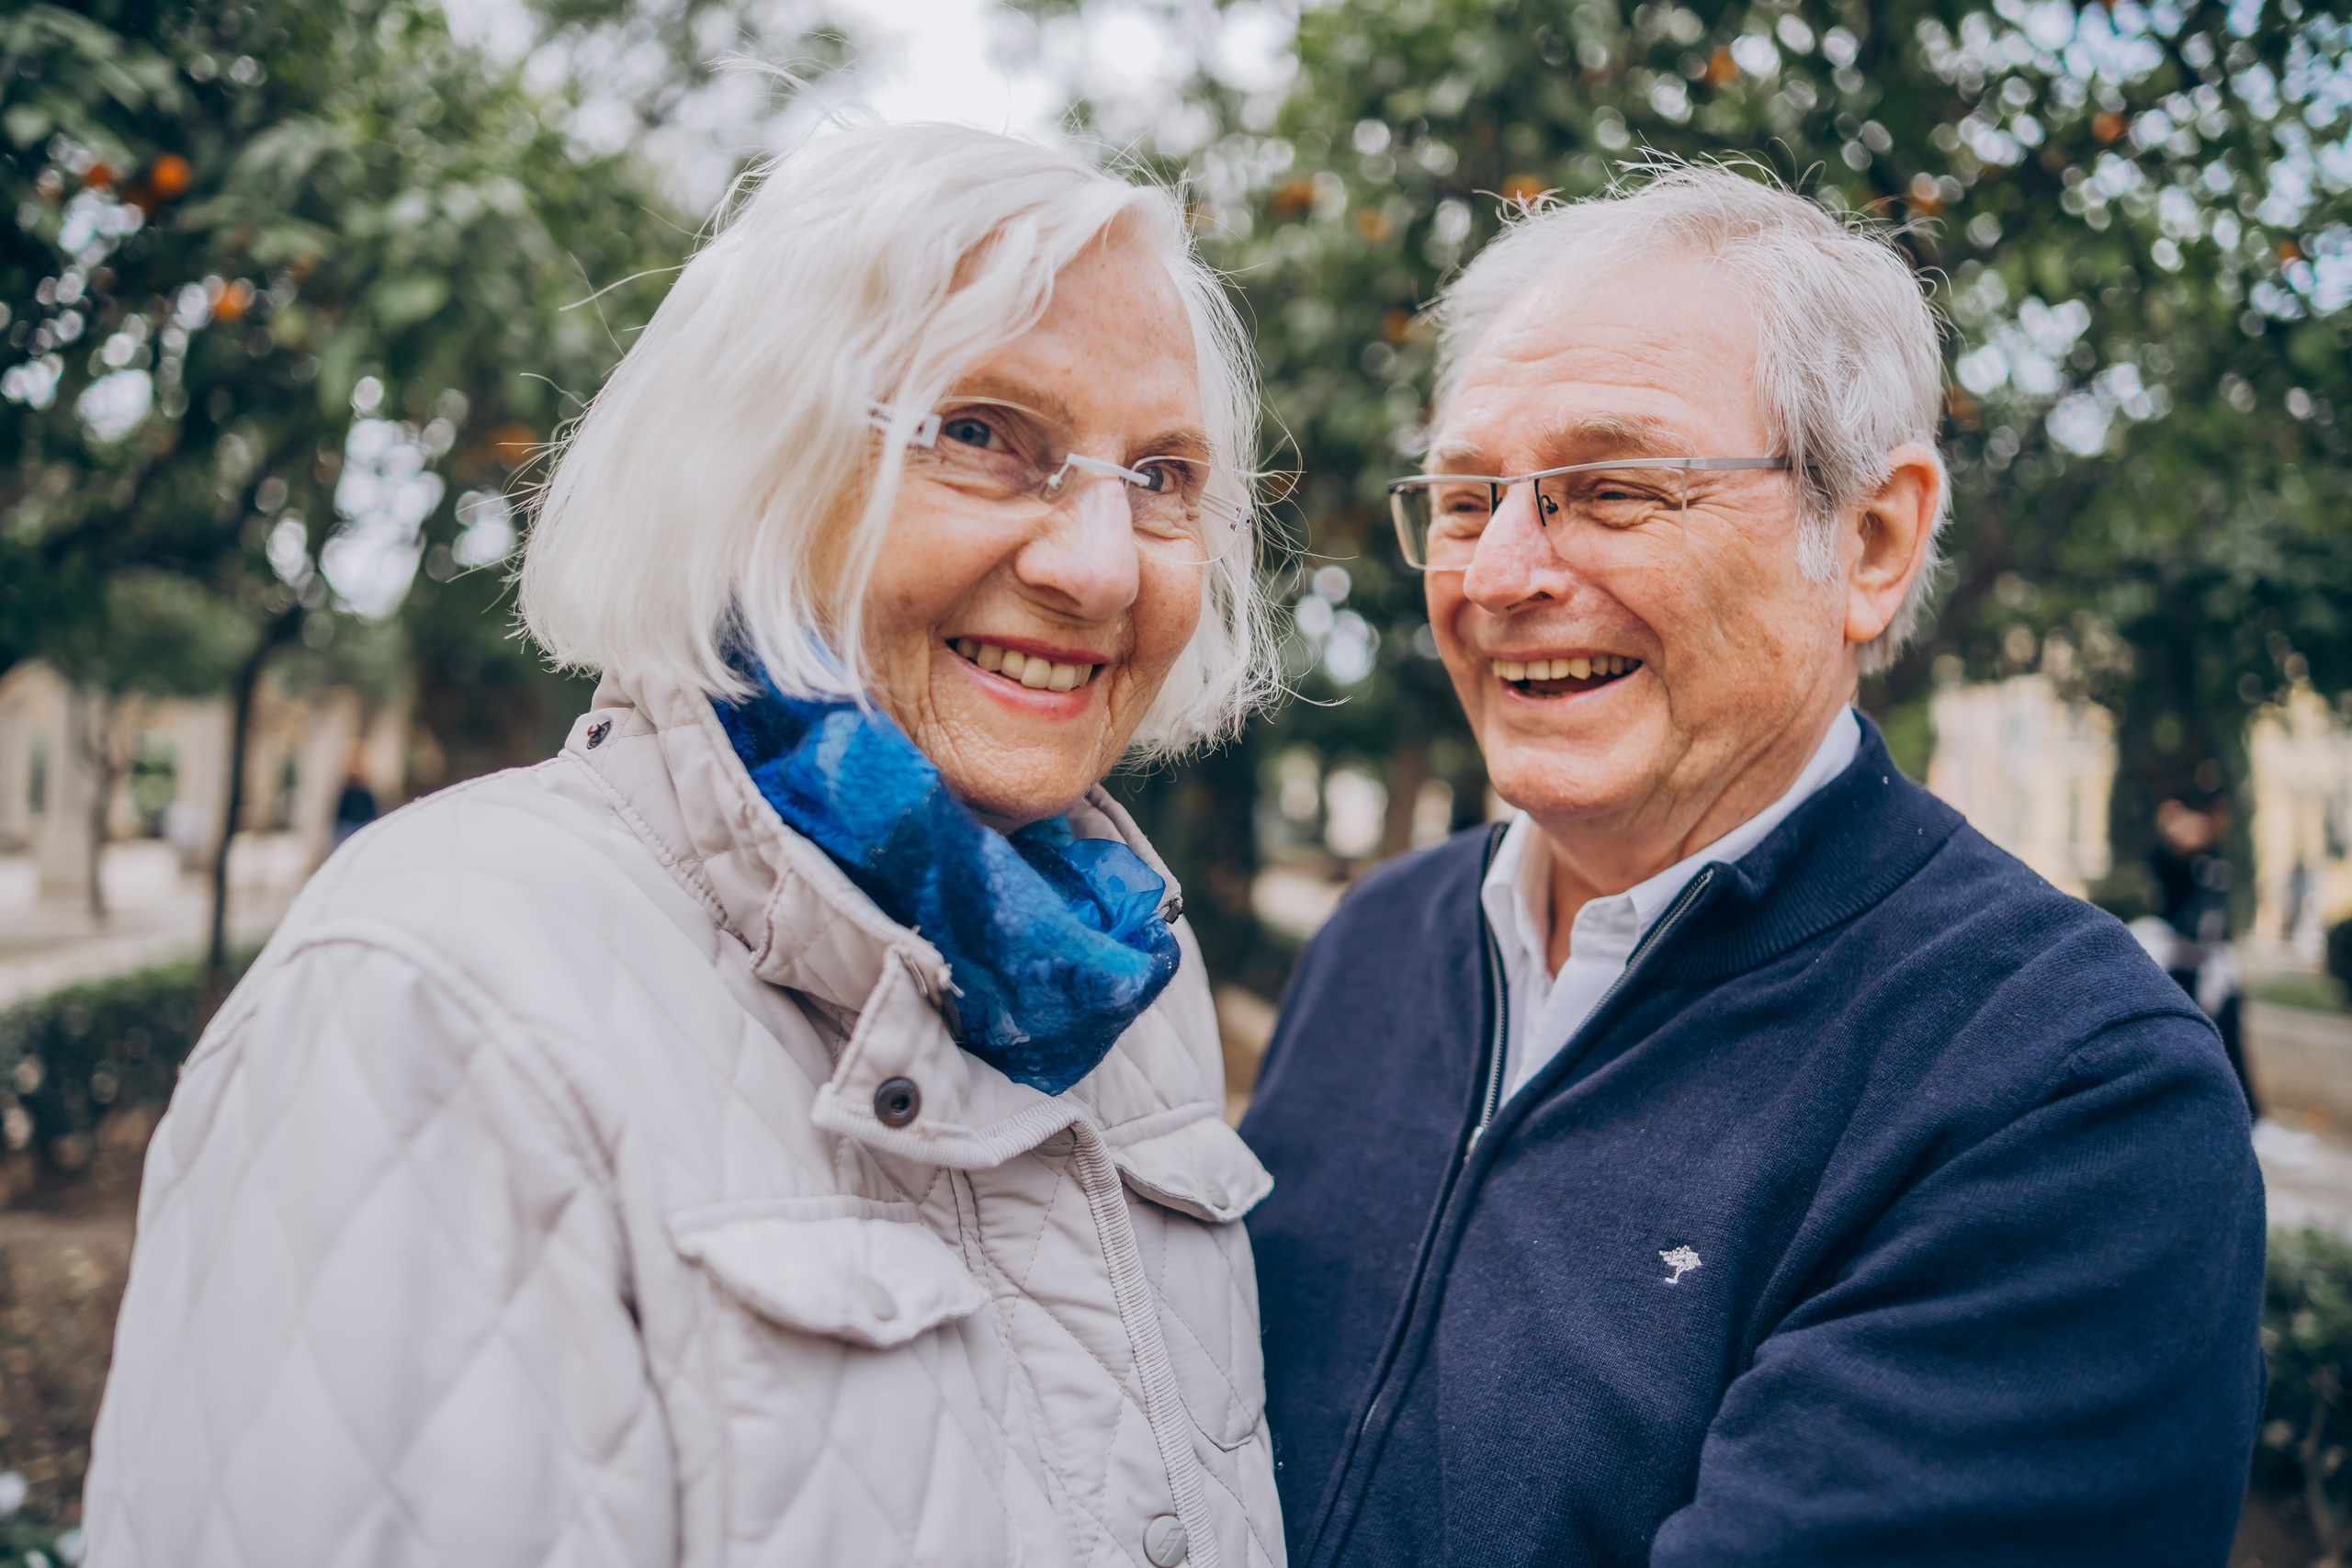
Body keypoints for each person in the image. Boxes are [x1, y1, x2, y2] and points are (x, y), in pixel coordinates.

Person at [84, 124, 1284, 1568]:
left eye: (1161, 477)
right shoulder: (435, 995)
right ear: (752, 468)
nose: (1100, 564)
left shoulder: (1124, 974)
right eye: (976, 434)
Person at [1239, 164, 2264, 1567]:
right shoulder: (1381, 939)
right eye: (1471, 496)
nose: (1500, 576)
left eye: (1612, 488)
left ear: (1874, 539)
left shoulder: (2064, 1092)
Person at [2133, 795, 2254, 1110]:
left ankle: (2242, 1106)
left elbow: (2213, 917)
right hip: (2177, 961)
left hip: (2206, 963)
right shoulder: (2170, 862)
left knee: (2225, 1029)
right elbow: (2172, 898)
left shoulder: (2212, 862)